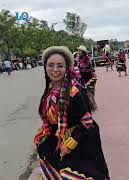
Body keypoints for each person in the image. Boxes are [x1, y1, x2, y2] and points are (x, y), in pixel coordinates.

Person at [34, 46, 110, 179]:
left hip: (78, 143)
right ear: (45, 67)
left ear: (67, 68)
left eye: (60, 66)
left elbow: (87, 120)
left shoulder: (74, 91)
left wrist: (69, 145)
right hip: (55, 142)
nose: (55, 70)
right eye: (50, 65)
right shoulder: (49, 91)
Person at [77, 45, 98, 110]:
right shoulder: (79, 58)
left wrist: (94, 74)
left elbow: (92, 67)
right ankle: (90, 103)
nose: (78, 52)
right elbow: (78, 67)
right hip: (82, 76)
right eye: (78, 51)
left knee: (90, 91)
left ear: (82, 51)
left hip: (89, 76)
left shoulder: (88, 58)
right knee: (84, 91)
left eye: (79, 51)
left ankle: (94, 104)